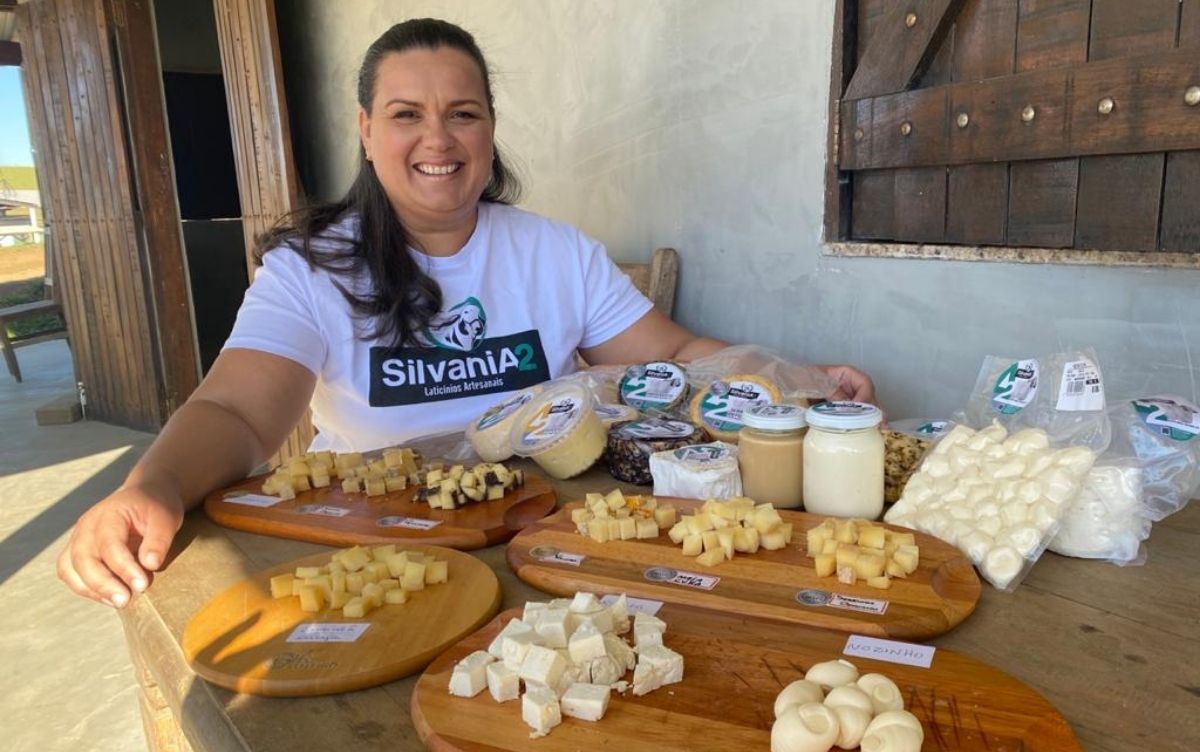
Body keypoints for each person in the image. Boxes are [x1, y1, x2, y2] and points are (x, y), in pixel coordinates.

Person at [58, 19, 876, 608]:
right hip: (382, 548)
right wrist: (155, 485)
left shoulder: (555, 253)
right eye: (407, 114)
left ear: (489, 129)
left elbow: (676, 357)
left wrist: (799, 383)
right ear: (368, 132)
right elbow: (237, 413)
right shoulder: (310, 269)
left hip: (548, 539)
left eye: (463, 112)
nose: (437, 139)